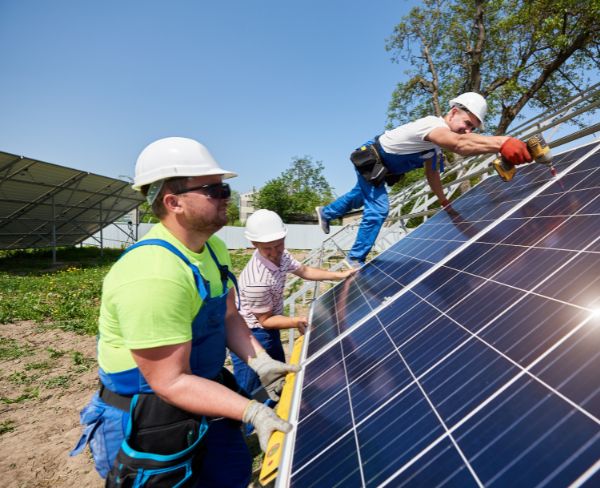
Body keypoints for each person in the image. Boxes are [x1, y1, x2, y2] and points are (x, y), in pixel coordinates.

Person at [70, 137, 298, 487]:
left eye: (225, 188)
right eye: (214, 190)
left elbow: (229, 316)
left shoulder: (214, 248)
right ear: (173, 202)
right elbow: (169, 381)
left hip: (202, 394)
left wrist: (260, 361)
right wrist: (252, 410)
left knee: (230, 476)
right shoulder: (154, 273)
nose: (228, 197)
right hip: (147, 416)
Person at [315, 92, 533, 268]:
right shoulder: (431, 126)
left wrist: (444, 201)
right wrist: (503, 143)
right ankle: (355, 259)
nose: (467, 130)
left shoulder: (434, 148)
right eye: (466, 123)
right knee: (379, 209)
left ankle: (326, 212)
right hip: (371, 159)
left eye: (472, 128)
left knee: (359, 196)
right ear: (454, 112)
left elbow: (433, 175)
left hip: (380, 170)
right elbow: (459, 145)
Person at [230, 209, 356, 400]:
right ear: (254, 244)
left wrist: (338, 275)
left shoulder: (283, 255)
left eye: (278, 245)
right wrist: (297, 320)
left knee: (279, 379)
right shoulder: (257, 280)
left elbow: (304, 270)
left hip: (268, 329)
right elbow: (266, 320)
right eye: (268, 248)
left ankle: (276, 413)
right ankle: (245, 426)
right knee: (250, 389)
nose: (274, 253)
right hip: (250, 335)